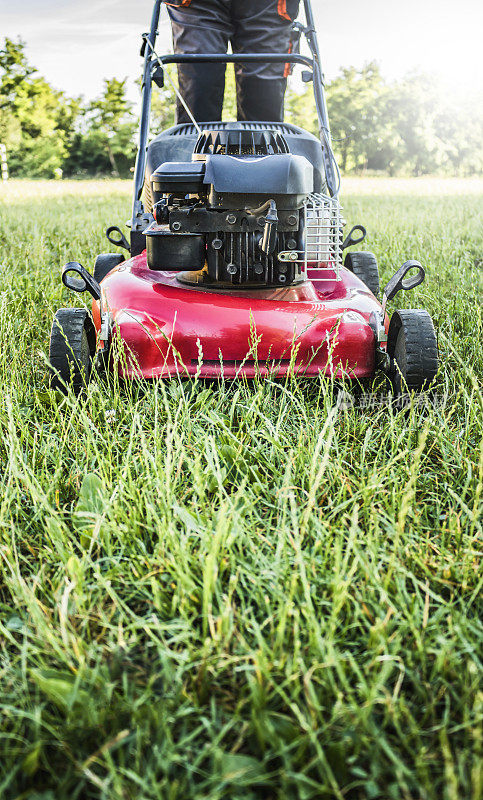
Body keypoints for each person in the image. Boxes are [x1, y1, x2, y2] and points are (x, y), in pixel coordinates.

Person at [163, 0, 300, 124]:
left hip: (268, 6)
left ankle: (262, 149)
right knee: (199, 82)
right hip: (198, 4)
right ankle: (195, 147)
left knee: (263, 98)